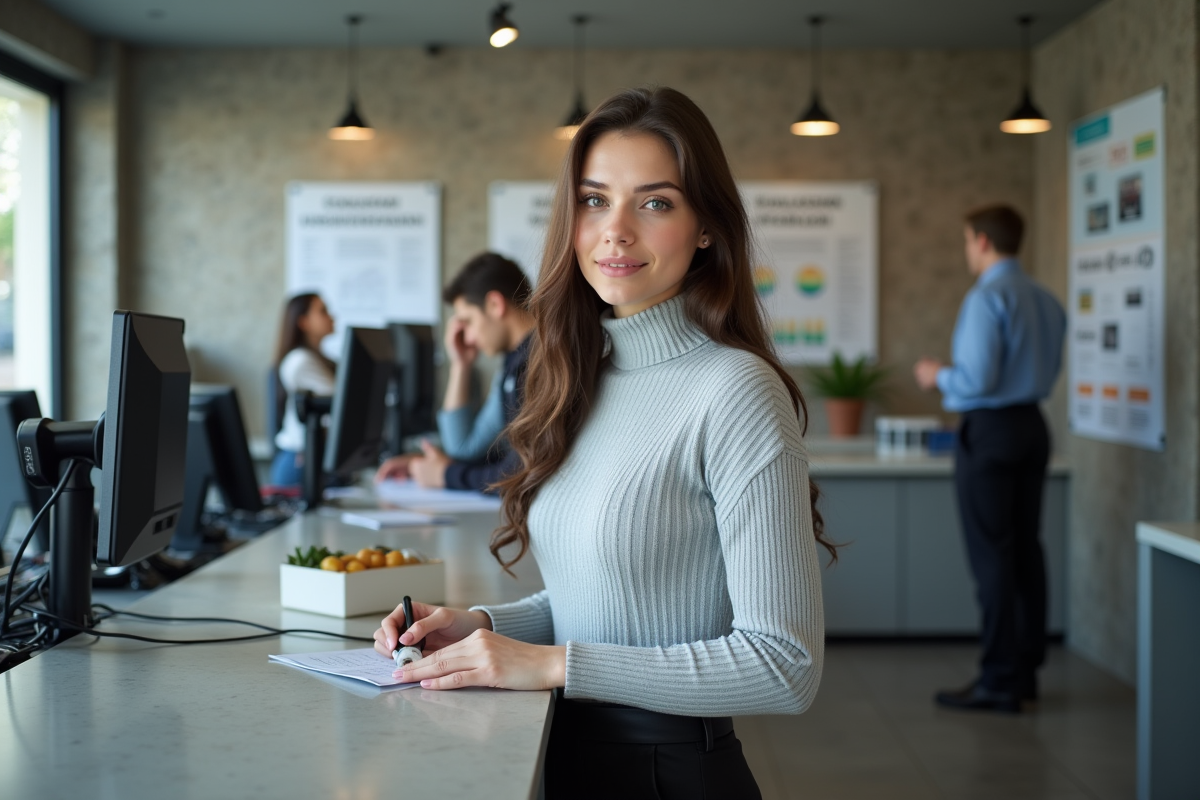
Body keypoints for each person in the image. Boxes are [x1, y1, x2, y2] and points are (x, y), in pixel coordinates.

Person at [373, 87, 833, 798]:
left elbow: (784, 665)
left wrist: (551, 664)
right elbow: (609, 604)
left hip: (667, 771)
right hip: (571, 753)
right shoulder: (580, 378)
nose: (615, 231)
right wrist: (477, 626)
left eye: (655, 202)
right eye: (594, 200)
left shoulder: (735, 390)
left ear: (706, 225)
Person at [914, 205, 1066, 714]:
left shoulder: (986, 298)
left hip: (992, 431)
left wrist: (937, 375)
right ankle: (1024, 672)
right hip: (1032, 427)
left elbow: (976, 380)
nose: (966, 251)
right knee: (1026, 549)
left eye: (965, 241)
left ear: (981, 241)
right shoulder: (1046, 300)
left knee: (993, 558)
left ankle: (998, 678)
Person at [374, 253, 534, 493]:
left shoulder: (540, 361)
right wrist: (461, 365)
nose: (467, 337)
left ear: (494, 305)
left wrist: (447, 474)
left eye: (467, 321)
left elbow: (524, 473)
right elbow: (465, 447)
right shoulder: (514, 364)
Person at [270, 293, 336, 487]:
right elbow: (340, 406)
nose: (332, 316)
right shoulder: (300, 361)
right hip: (299, 462)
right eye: (323, 311)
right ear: (303, 321)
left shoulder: (319, 359)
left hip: (310, 458)